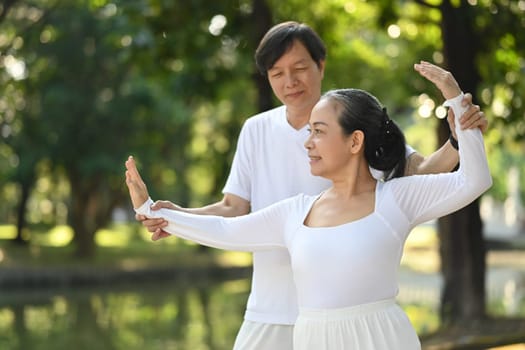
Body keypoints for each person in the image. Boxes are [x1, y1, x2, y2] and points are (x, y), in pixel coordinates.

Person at [137, 22, 488, 350]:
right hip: (274, 306)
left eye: (299, 68)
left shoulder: (355, 123)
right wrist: (171, 216)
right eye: (277, 73)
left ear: (321, 65)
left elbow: (423, 172)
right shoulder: (259, 136)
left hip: (361, 313)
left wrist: (461, 136)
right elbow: (232, 214)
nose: (289, 81)